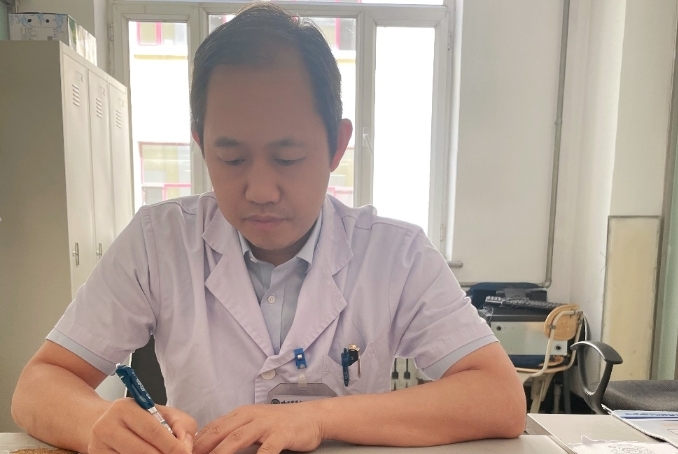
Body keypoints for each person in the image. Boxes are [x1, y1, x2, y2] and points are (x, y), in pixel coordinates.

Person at [11, 3, 526, 454]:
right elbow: (40, 383)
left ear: (336, 146)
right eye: (232, 158)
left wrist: (316, 419)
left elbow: (498, 397)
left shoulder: (396, 254)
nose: (259, 190)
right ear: (200, 143)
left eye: (288, 157)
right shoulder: (158, 241)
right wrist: (97, 422)